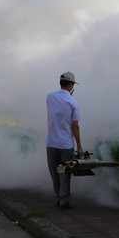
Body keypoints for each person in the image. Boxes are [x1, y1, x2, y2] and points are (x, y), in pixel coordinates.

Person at [45, 71, 85, 210]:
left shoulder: (50, 97)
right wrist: (79, 147)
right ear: (71, 85)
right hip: (65, 146)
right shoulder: (73, 102)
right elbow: (75, 126)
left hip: (51, 144)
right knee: (64, 173)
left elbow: (57, 107)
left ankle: (58, 196)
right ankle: (64, 201)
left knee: (55, 173)